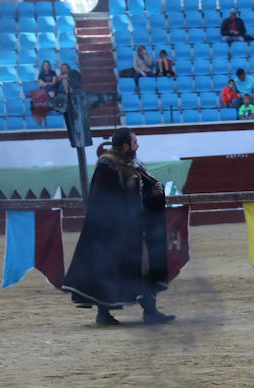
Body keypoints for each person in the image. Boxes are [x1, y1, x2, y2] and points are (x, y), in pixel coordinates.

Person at [62, 127, 175, 326]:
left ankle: (150, 311)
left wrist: (154, 193)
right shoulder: (108, 166)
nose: (137, 145)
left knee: (144, 268)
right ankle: (104, 313)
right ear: (124, 146)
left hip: (135, 229)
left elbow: (142, 193)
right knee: (109, 270)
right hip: (113, 232)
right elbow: (103, 200)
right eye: (134, 142)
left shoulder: (133, 165)